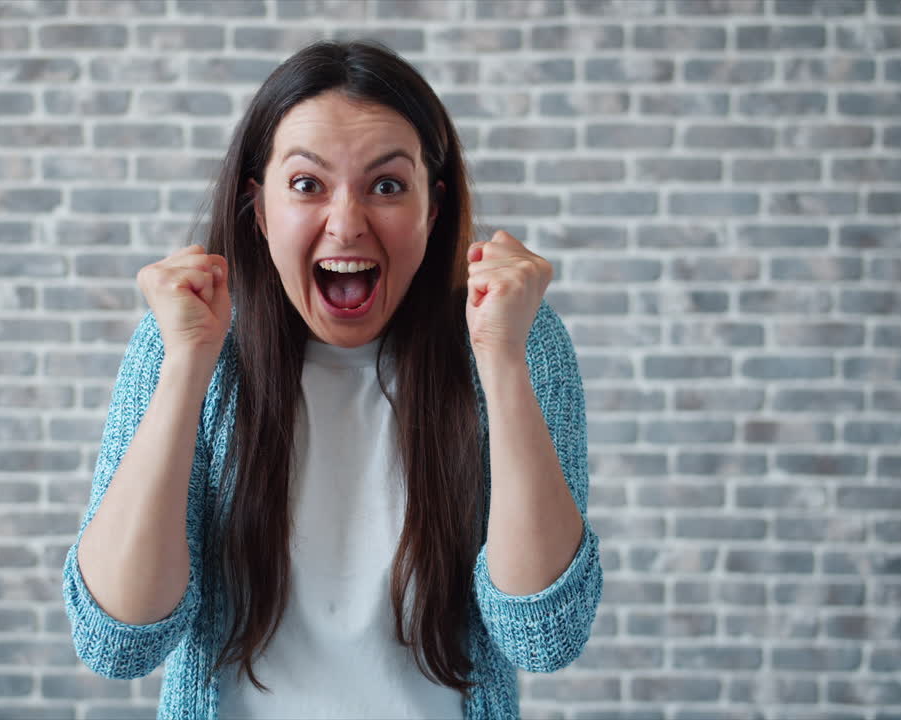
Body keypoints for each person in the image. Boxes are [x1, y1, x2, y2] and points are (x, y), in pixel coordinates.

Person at [62, 40, 602, 719]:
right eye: (307, 184)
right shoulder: (182, 340)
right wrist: (185, 369)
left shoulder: (521, 339)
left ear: (432, 211)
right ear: (258, 210)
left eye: (386, 186)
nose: (346, 223)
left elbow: (543, 638)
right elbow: (117, 644)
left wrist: (502, 358)